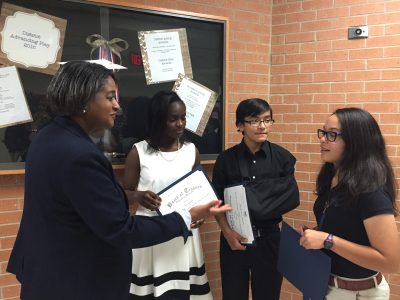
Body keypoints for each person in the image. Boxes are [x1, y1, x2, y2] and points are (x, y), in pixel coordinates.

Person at [6, 61, 230, 300]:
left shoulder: (48, 136)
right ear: (84, 100)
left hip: (47, 271)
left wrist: (131, 196)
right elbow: (122, 230)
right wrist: (188, 216)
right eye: (110, 97)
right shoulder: (80, 154)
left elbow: (81, 199)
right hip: (75, 280)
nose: (117, 106)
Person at [299, 107, 400, 300]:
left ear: (355, 141)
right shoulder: (332, 175)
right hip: (323, 283)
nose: (322, 139)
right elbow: (345, 227)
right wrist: (314, 234)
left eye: (332, 135)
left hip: (358, 293)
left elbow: (391, 262)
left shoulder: (371, 190)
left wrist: (328, 241)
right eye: (323, 132)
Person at [123, 91, 213, 299]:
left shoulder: (192, 151)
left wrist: (198, 216)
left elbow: (200, 192)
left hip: (183, 233)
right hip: (149, 232)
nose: (180, 124)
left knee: (183, 292)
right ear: (158, 119)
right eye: (173, 119)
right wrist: (138, 196)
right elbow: (124, 195)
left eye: (183, 118)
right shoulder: (138, 152)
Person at [212, 98, 299, 300]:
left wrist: (254, 202)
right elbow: (217, 202)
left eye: (267, 120)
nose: (262, 126)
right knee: (233, 295)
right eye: (254, 121)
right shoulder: (226, 160)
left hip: (269, 239)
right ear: (240, 125)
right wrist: (227, 233)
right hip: (234, 238)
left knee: (268, 295)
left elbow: (289, 197)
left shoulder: (283, 158)